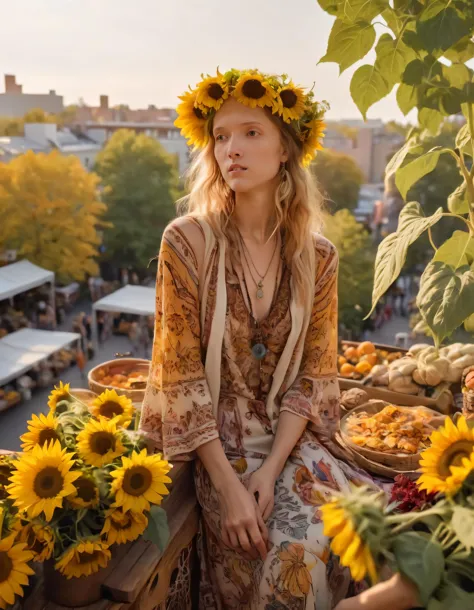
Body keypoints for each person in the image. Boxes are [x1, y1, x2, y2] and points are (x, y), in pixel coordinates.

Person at [139, 69, 413, 609]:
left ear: (286, 150)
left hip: (292, 442)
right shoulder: (187, 242)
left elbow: (315, 374)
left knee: (374, 538)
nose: (230, 149)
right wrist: (231, 485)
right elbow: (181, 378)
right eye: (220, 136)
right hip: (215, 449)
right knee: (290, 558)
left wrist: (271, 467)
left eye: (250, 133)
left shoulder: (319, 258)